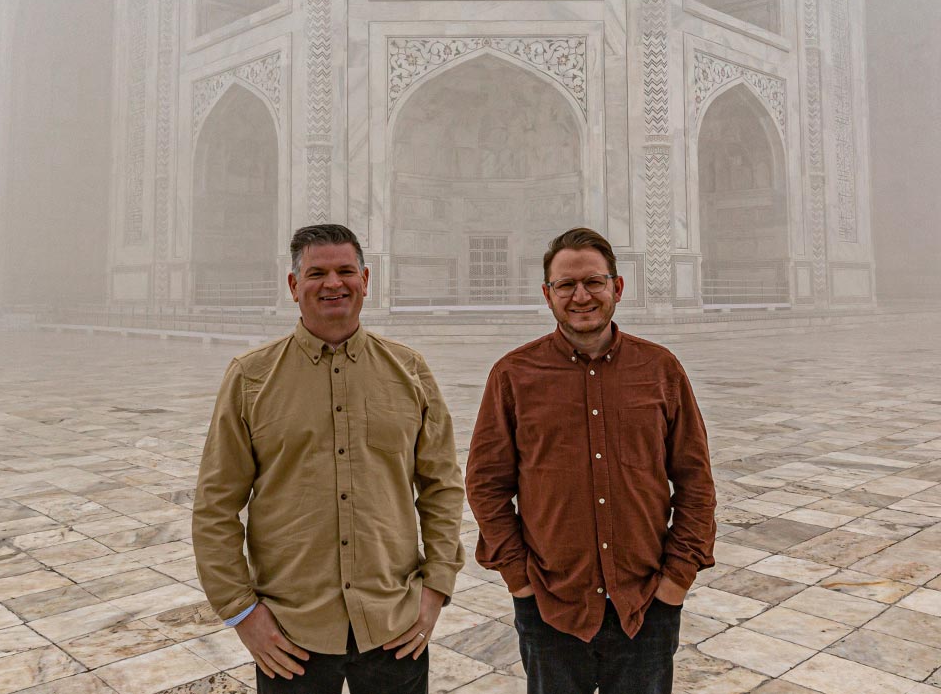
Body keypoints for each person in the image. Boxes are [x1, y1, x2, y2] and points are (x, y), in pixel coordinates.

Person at [193, 223, 464, 694]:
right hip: (291, 632)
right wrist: (241, 612)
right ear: (294, 285)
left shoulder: (409, 371)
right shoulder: (251, 378)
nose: (333, 283)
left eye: (345, 271)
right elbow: (215, 506)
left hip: (394, 626)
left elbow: (442, 486)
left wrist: (436, 588)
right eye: (317, 272)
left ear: (366, 279)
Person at [466, 227, 716, 694]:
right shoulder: (514, 375)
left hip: (645, 607)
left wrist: (675, 583)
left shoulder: (660, 370)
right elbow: (486, 484)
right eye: (566, 285)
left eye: (593, 282)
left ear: (617, 287)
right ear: (547, 294)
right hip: (550, 606)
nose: (580, 295)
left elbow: (695, 480)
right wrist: (521, 582)